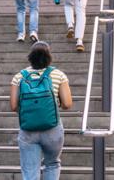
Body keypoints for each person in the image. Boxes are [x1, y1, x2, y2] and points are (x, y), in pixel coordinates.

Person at [10, 41, 72, 180]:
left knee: (30, 171)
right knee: (52, 164)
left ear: (30, 56)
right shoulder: (58, 75)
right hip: (52, 128)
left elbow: (14, 106)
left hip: (28, 129)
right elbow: (67, 104)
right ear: (49, 56)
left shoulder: (19, 77)